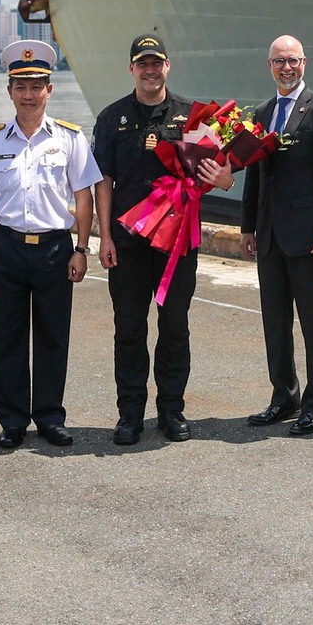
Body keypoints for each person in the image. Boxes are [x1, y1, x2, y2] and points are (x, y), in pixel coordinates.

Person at [93, 31, 232, 446]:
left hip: (177, 246)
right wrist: (104, 236)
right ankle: (130, 414)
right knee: (129, 328)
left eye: (157, 63)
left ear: (167, 66)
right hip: (128, 243)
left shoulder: (193, 116)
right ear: (132, 69)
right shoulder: (111, 118)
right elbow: (103, 179)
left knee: (175, 328)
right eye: (142, 63)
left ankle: (171, 411)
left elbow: (220, 170)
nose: (150, 70)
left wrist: (224, 179)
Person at [0, 40, 100, 450]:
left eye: (36, 85)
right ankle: (11, 420)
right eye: (20, 85)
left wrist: (81, 248)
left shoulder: (70, 139)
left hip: (56, 249)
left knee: (53, 335)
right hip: (6, 247)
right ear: (9, 91)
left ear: (49, 90)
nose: (28, 93)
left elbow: (83, 197)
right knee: (7, 335)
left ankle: (49, 417)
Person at [239, 34, 313, 437]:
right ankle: (283, 396)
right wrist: (247, 226)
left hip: (308, 238)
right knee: (275, 321)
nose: (286, 68)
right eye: (279, 61)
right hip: (269, 235)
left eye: (293, 61)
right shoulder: (263, 111)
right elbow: (254, 172)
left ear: (305, 63)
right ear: (269, 65)